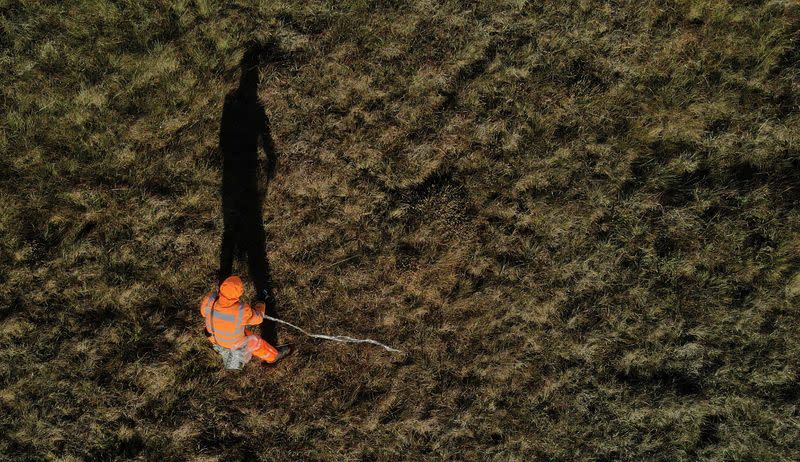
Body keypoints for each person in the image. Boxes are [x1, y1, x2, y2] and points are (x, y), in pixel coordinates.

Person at [200, 275, 291, 370]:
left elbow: (203, 312)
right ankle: (273, 357)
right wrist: (260, 304)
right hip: (233, 344)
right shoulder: (241, 310)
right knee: (255, 342)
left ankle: (223, 350)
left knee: (232, 330)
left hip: (213, 338)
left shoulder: (210, 299)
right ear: (240, 293)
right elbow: (258, 319)